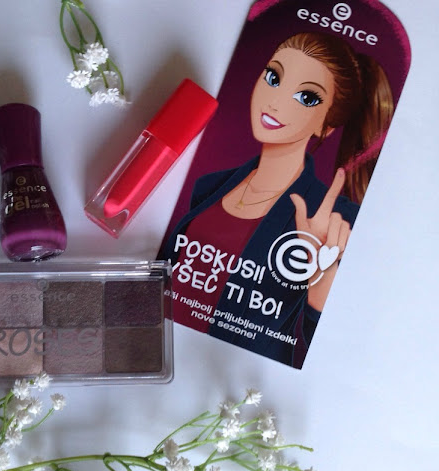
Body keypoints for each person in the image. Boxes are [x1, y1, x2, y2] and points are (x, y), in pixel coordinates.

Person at [162, 32, 394, 367]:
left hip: (226, 373)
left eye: (306, 97)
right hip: (157, 348)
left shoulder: (335, 221)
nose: (275, 101)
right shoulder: (210, 187)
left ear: (327, 126)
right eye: (273, 77)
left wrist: (320, 288)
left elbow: (337, 352)